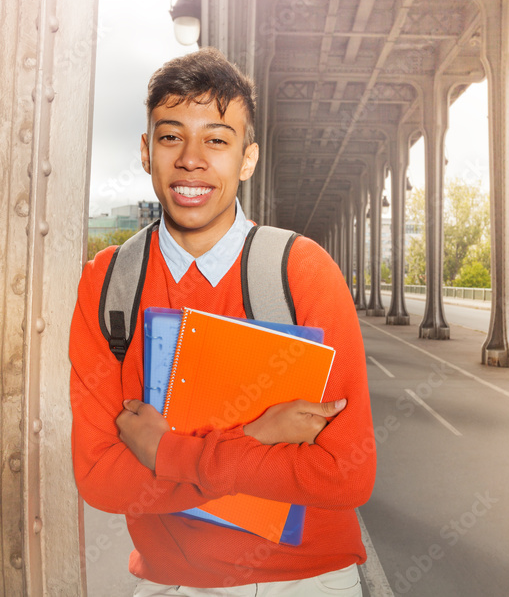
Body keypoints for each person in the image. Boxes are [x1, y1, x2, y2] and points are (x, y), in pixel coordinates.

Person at [69, 48, 376, 596]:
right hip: (170, 583)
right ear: (146, 151)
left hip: (307, 582)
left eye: (216, 139)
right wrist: (262, 439)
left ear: (247, 159)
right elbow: (102, 482)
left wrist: (167, 454)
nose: (192, 159)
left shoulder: (301, 272)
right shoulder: (111, 284)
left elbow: (345, 474)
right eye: (170, 137)